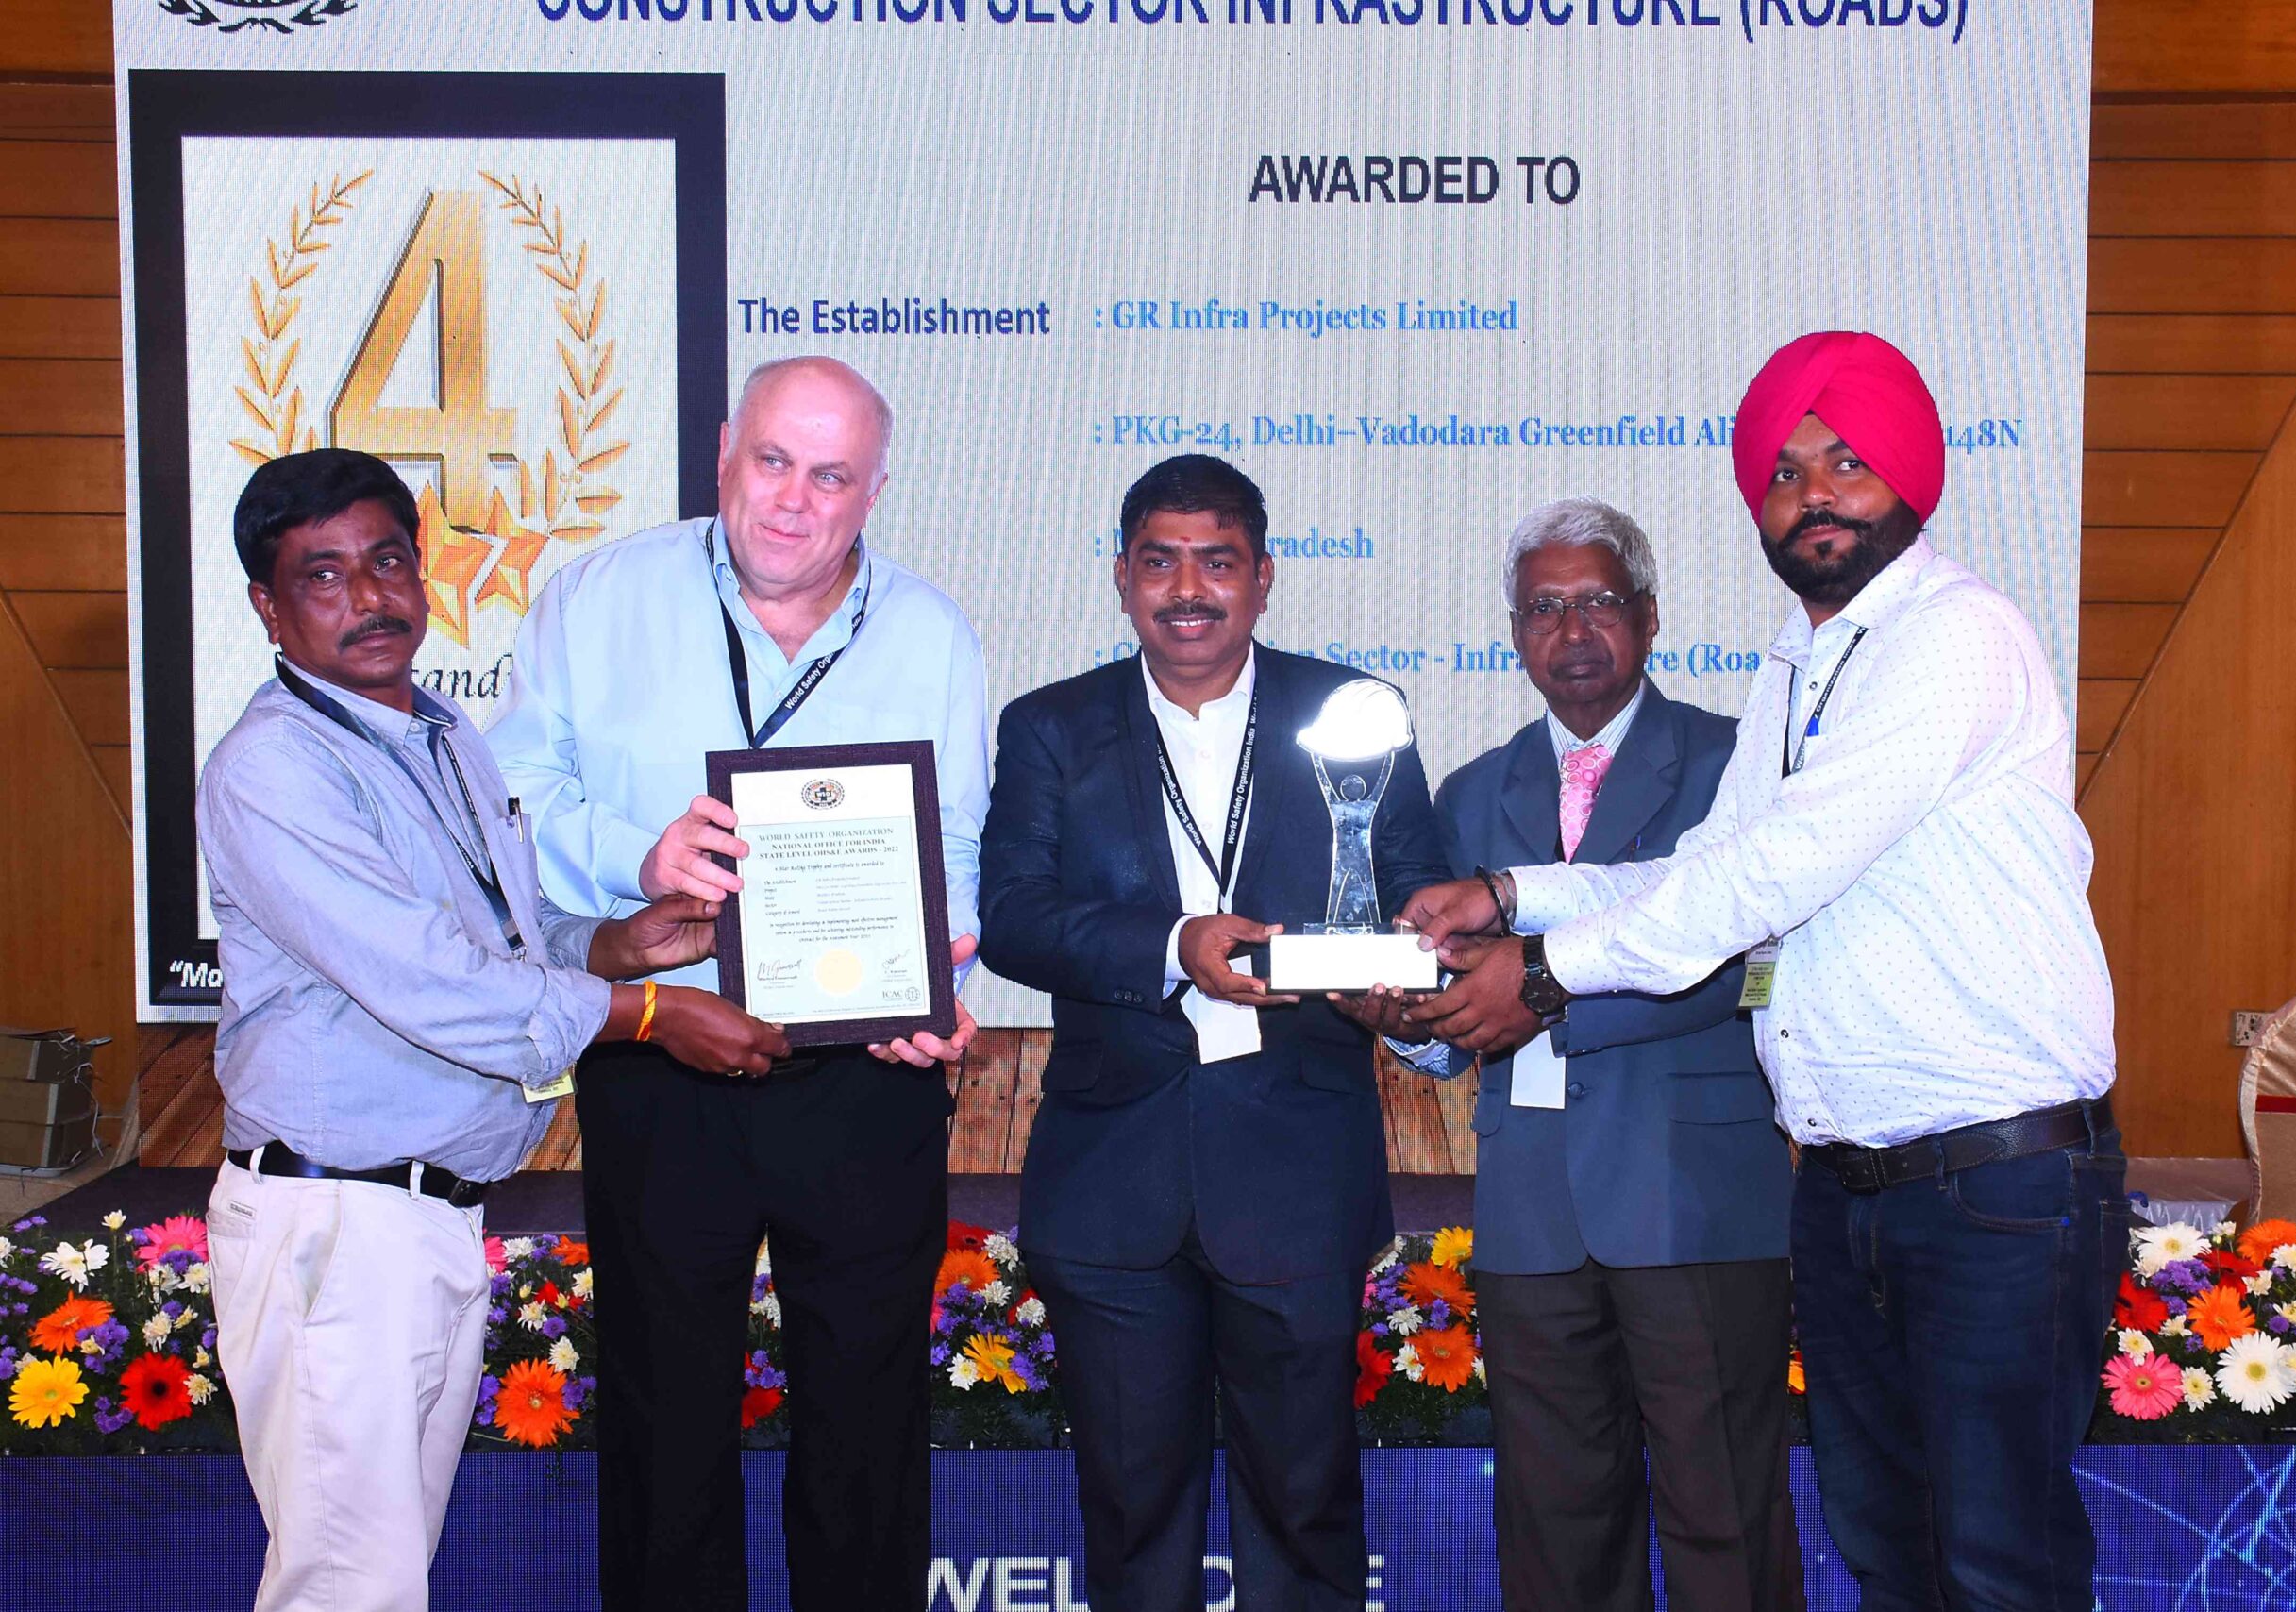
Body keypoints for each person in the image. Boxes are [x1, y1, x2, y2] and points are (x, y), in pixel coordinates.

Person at [1403, 332, 2125, 1612]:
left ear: (1908, 474)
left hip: (1993, 1182)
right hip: (1852, 1185)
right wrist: (1510, 892)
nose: (1813, 495)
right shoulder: (1797, 665)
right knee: (1890, 1548)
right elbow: (1701, 867)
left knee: (1998, 1561)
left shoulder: (1956, 635)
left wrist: (1542, 971)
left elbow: (1772, 875)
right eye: (1784, 473)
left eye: (1846, 461)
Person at [198, 448, 786, 1612]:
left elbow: (498, 939)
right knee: (348, 1588)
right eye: (324, 575)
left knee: (380, 1575)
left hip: (418, 1217)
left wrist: (617, 945)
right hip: (336, 1222)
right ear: (267, 606)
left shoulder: (441, 734)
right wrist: (649, 1015)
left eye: (387, 562)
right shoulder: (274, 767)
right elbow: (427, 982)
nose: (370, 598)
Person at [486, 357, 987, 1611]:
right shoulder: (596, 599)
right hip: (665, 1049)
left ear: (874, 491)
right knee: (662, 1416)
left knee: (869, 1423)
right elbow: (510, 800)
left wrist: (935, 974)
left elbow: (956, 846)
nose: (793, 499)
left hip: (863, 1075)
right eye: (772, 460)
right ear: (723, 451)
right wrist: (636, 855)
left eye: (831, 475)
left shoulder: (930, 632)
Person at [978, 453, 1452, 1612]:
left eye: (1217, 562)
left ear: (1263, 576)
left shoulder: (1354, 714)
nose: (1187, 589)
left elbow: (1417, 902)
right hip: (1112, 1177)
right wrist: (1172, 942)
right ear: (1121, 577)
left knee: (1304, 1510)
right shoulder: (1050, 727)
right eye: (1160, 562)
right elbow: (1013, 917)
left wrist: (1403, 989)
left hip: (1297, 1172)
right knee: (1133, 1517)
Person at [1411, 497, 1800, 1612]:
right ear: (1513, 633)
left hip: (1696, 1197)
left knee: (1724, 1517)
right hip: (1531, 1205)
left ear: (1649, 615)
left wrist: (1541, 1001)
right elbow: (1454, 1004)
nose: (1572, 630)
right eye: (1544, 607)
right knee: (1555, 1528)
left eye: (1597, 601)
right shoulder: (1470, 790)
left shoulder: (1731, 764)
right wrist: (1405, 1017)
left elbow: (1751, 966)